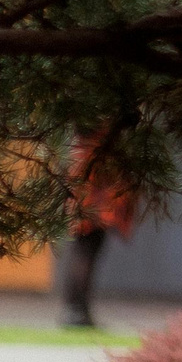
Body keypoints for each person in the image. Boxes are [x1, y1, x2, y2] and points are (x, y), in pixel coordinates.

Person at [59, 133, 136, 331]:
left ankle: (77, 309)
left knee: (83, 250)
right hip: (93, 196)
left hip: (88, 192)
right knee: (86, 249)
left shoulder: (84, 145)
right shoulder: (98, 144)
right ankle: (77, 310)